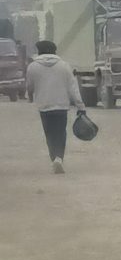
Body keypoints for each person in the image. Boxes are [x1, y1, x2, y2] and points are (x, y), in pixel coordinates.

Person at [26, 39, 82, 174]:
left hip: (44, 105)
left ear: (40, 51)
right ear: (54, 51)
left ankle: (54, 158)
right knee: (60, 132)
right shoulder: (64, 66)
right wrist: (81, 105)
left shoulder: (33, 67)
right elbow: (73, 88)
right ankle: (59, 157)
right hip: (61, 105)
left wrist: (30, 96)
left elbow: (30, 86)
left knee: (49, 133)